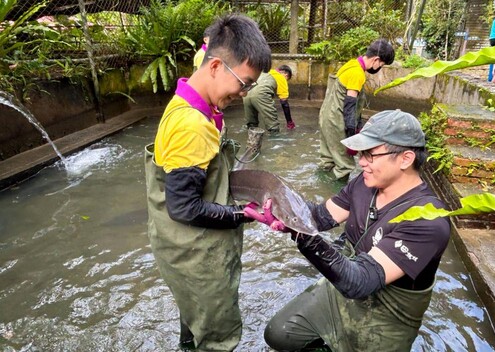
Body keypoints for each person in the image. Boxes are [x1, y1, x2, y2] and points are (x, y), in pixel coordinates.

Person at [248, 110, 451, 351]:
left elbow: (360, 282)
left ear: (405, 159)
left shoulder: (428, 220)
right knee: (279, 334)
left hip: (388, 315)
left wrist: (300, 231)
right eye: (360, 153)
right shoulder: (364, 184)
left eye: (370, 154)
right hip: (343, 287)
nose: (361, 161)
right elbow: (319, 217)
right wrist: (281, 208)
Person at [144, 14, 271, 351]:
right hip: (196, 251)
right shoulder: (192, 125)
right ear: (215, 66)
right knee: (218, 333)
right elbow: (184, 207)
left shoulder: (191, 97)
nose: (244, 94)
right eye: (243, 83)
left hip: (177, 249)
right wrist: (245, 215)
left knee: (194, 316)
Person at [318, 39, 395, 180]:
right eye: (382, 65)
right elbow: (349, 105)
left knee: (327, 159)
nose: (379, 68)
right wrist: (352, 134)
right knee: (345, 165)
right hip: (337, 121)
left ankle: (320, 187)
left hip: (326, 117)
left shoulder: (351, 64)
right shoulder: (357, 73)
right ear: (376, 60)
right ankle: (338, 195)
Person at [243, 64, 296, 134]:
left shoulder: (265, 73)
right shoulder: (281, 77)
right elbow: (284, 102)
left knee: (252, 126)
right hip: (261, 94)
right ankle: (275, 141)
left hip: (246, 93)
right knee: (273, 128)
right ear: (286, 74)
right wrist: (289, 122)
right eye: (287, 79)